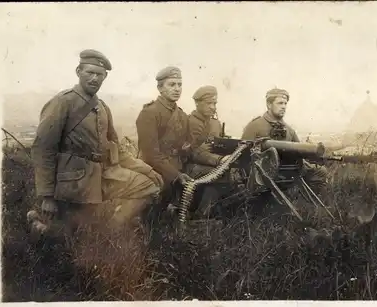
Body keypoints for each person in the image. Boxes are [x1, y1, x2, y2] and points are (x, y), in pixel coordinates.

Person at [29, 49, 163, 235]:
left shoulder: (102, 107)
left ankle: (110, 230)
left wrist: (148, 170)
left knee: (147, 186)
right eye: (89, 73)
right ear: (78, 72)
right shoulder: (63, 102)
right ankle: (40, 224)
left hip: (101, 177)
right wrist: (47, 196)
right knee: (69, 237)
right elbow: (43, 149)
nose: (94, 79)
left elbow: (116, 149)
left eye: (99, 75)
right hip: (72, 183)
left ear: (105, 77)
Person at [135, 68, 229, 220]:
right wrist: (176, 175)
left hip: (178, 167)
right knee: (151, 216)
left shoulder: (182, 116)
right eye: (172, 85)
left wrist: (218, 160)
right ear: (160, 88)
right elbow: (150, 155)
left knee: (218, 176)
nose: (177, 89)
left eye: (179, 85)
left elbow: (189, 150)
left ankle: (198, 219)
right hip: (154, 170)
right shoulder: (150, 113)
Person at [241, 88, 329, 199]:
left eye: (285, 103)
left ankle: (307, 204)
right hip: (262, 173)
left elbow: (298, 150)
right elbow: (242, 155)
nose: (283, 106)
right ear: (269, 104)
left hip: (287, 171)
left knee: (320, 172)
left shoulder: (289, 130)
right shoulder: (255, 126)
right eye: (280, 103)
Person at [184, 86, 233, 218]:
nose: (212, 107)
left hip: (210, 164)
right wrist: (218, 160)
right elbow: (192, 152)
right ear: (197, 103)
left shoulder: (215, 123)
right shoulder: (189, 122)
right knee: (223, 176)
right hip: (190, 166)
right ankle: (201, 216)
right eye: (209, 103)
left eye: (215, 103)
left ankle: (210, 213)